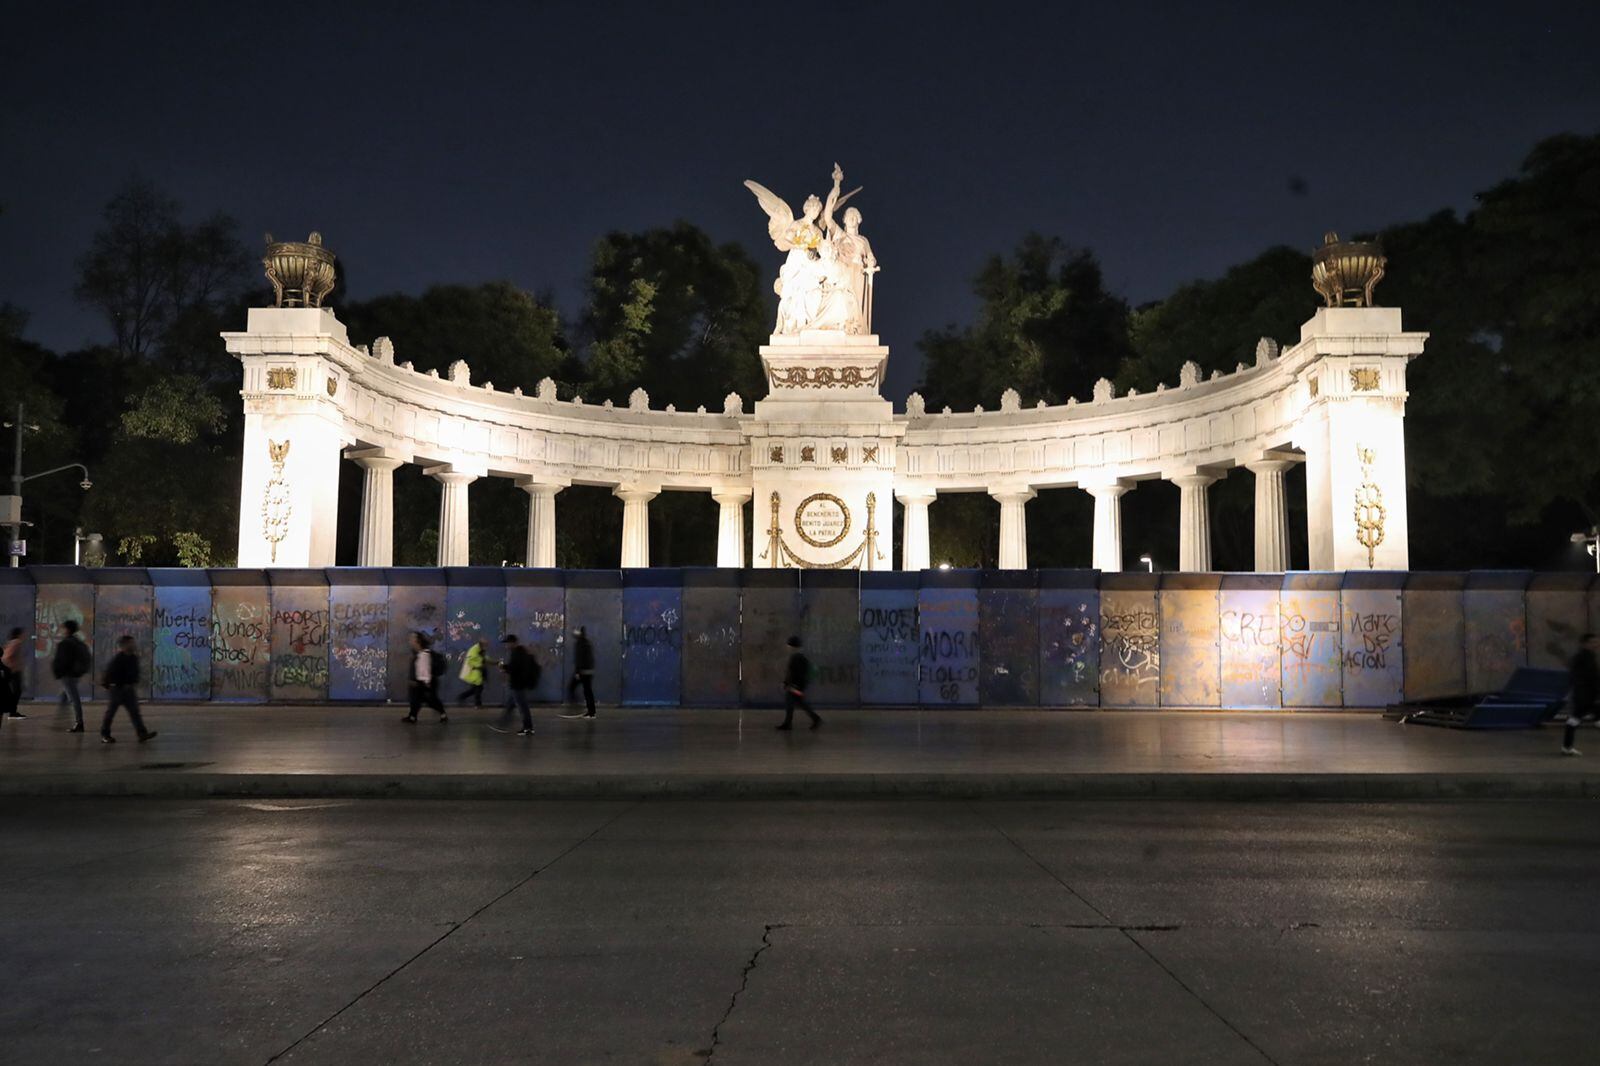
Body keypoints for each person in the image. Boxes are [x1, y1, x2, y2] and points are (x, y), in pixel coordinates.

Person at [100, 634, 155, 744]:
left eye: (133, 643)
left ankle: (142, 733)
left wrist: (133, 682)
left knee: (135, 712)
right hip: (118, 690)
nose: (133, 645)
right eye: (131, 643)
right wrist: (109, 685)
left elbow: (135, 673)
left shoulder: (133, 658)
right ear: (124, 645)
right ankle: (105, 735)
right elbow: (110, 673)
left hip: (129, 690)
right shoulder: (118, 659)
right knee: (111, 713)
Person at [489, 634, 540, 736]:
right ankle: (502, 724)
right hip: (518, 684)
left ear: (513, 643)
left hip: (518, 684)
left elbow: (514, 668)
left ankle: (528, 728)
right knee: (510, 706)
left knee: (522, 707)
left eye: (507, 643)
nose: (506, 645)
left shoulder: (517, 653)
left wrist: (504, 667)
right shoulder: (520, 652)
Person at [1561, 632, 1598, 755]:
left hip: (1586, 695)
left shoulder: (1588, 656)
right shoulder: (1583, 657)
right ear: (1585, 643)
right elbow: (1587, 677)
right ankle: (1567, 747)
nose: (1596, 644)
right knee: (1575, 720)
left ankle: (1567, 747)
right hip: (1585, 696)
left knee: (1574, 720)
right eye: (1593, 642)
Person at [52, 619, 92, 732]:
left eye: (63, 628)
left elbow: (61, 660)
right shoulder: (77, 642)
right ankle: (60, 719)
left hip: (67, 675)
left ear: (67, 629)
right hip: (74, 674)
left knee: (74, 698)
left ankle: (79, 723)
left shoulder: (65, 643)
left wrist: (59, 672)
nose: (61, 630)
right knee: (66, 695)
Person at [777, 635, 821, 731]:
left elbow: (793, 673)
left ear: (792, 646)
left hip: (795, 686)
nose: (787, 647)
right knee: (798, 702)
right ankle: (814, 718)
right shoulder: (800, 657)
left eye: (789, 645)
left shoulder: (796, 658)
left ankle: (788, 723)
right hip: (797, 685)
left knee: (791, 702)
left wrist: (789, 684)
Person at [402, 631, 448, 724]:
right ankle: (412, 716)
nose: (410, 640)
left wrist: (427, 682)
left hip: (424, 682)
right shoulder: (417, 653)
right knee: (416, 699)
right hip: (419, 682)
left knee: (430, 700)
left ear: (418, 641)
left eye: (412, 639)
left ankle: (443, 714)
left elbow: (425, 669)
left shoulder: (424, 654)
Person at [563, 626, 596, 719]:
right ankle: (591, 712)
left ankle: (577, 707)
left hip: (582, 671)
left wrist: (577, 672)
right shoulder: (587, 642)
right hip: (589, 671)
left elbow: (579, 659)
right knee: (588, 691)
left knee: (572, 687)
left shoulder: (580, 643)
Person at [1, 626, 25, 725]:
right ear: (19, 634)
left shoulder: (13, 642)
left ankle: (12, 711)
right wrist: (10, 667)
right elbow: (6, 656)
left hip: (13, 671)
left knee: (15, 691)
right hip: (14, 671)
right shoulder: (16, 642)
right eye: (23, 633)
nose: (24, 635)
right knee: (16, 691)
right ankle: (12, 712)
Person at [457, 636, 489, 706]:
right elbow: (471, 660)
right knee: (478, 688)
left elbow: (484, 659)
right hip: (475, 673)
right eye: (485, 644)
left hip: (478, 673)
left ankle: (461, 697)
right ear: (481, 644)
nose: (486, 646)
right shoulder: (474, 650)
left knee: (475, 689)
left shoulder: (480, 650)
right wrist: (479, 665)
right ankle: (477, 704)